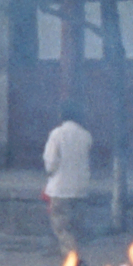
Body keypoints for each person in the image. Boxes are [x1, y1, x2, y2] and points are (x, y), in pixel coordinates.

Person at [43, 100, 96, 257]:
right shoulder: (86, 136)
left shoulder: (56, 134)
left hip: (60, 190)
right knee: (75, 228)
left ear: (62, 114)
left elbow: (50, 163)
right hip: (80, 190)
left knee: (62, 229)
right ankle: (71, 256)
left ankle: (73, 261)